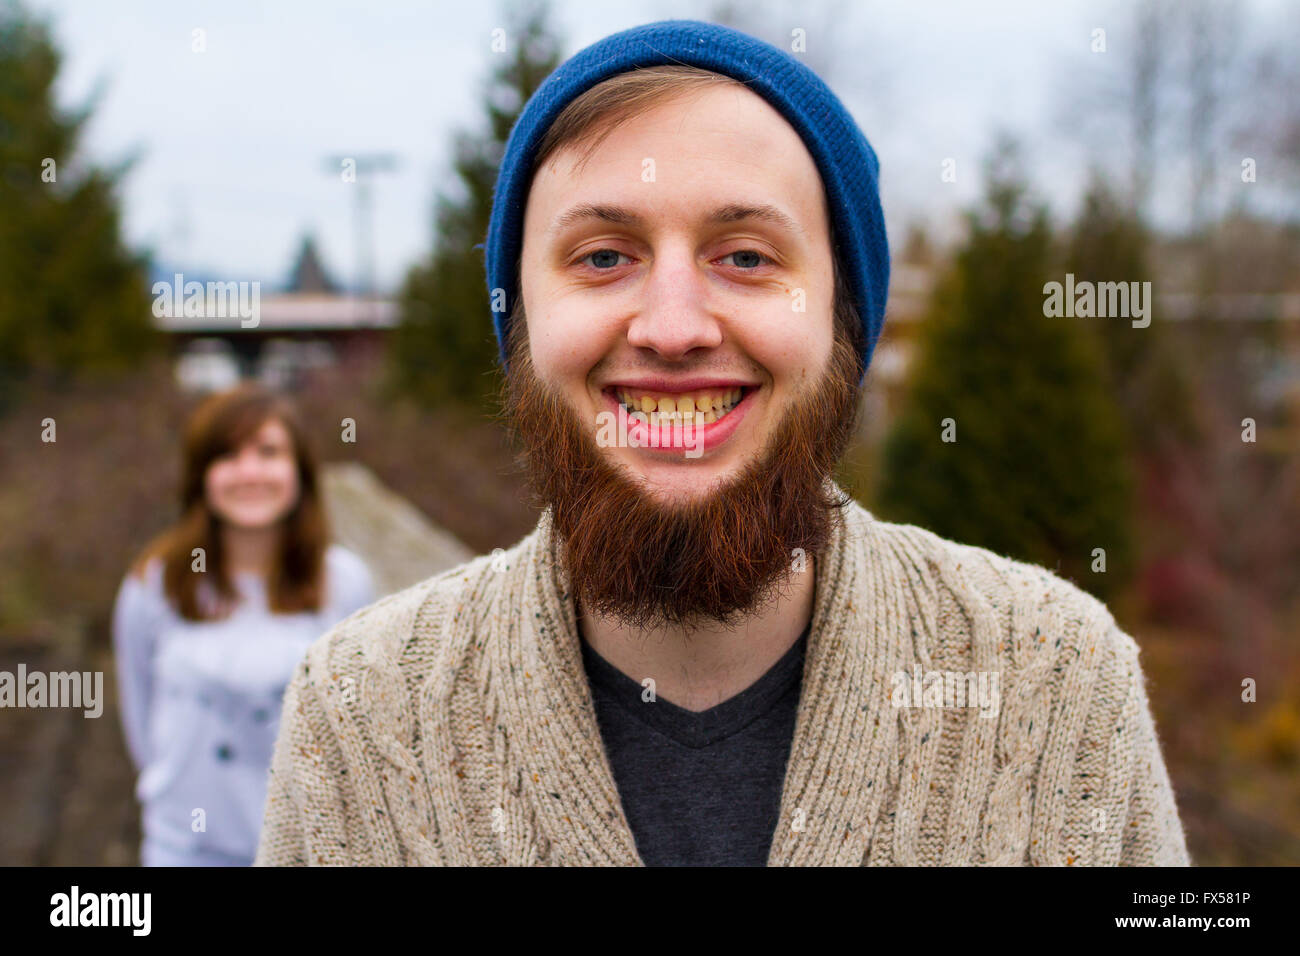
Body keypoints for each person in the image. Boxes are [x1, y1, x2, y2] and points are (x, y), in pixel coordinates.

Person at [255, 20, 1190, 866]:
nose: (672, 327)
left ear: (842, 321)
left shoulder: (1056, 678)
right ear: (521, 324)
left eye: (745, 256)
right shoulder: (361, 716)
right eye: (604, 257)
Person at [112, 382, 375, 866]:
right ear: (202, 475)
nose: (249, 472)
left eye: (268, 452)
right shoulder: (156, 585)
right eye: (228, 456)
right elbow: (140, 712)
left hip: (306, 851)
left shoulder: (345, 583)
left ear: (299, 471)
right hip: (186, 850)